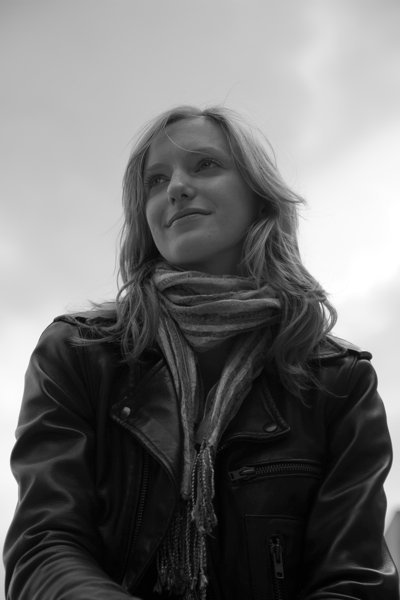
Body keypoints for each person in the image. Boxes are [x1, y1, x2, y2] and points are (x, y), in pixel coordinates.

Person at [3, 105, 399, 600]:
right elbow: (43, 547)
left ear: (259, 197)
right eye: (156, 180)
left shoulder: (338, 381)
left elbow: (354, 581)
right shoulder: (79, 353)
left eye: (205, 165)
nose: (175, 188)